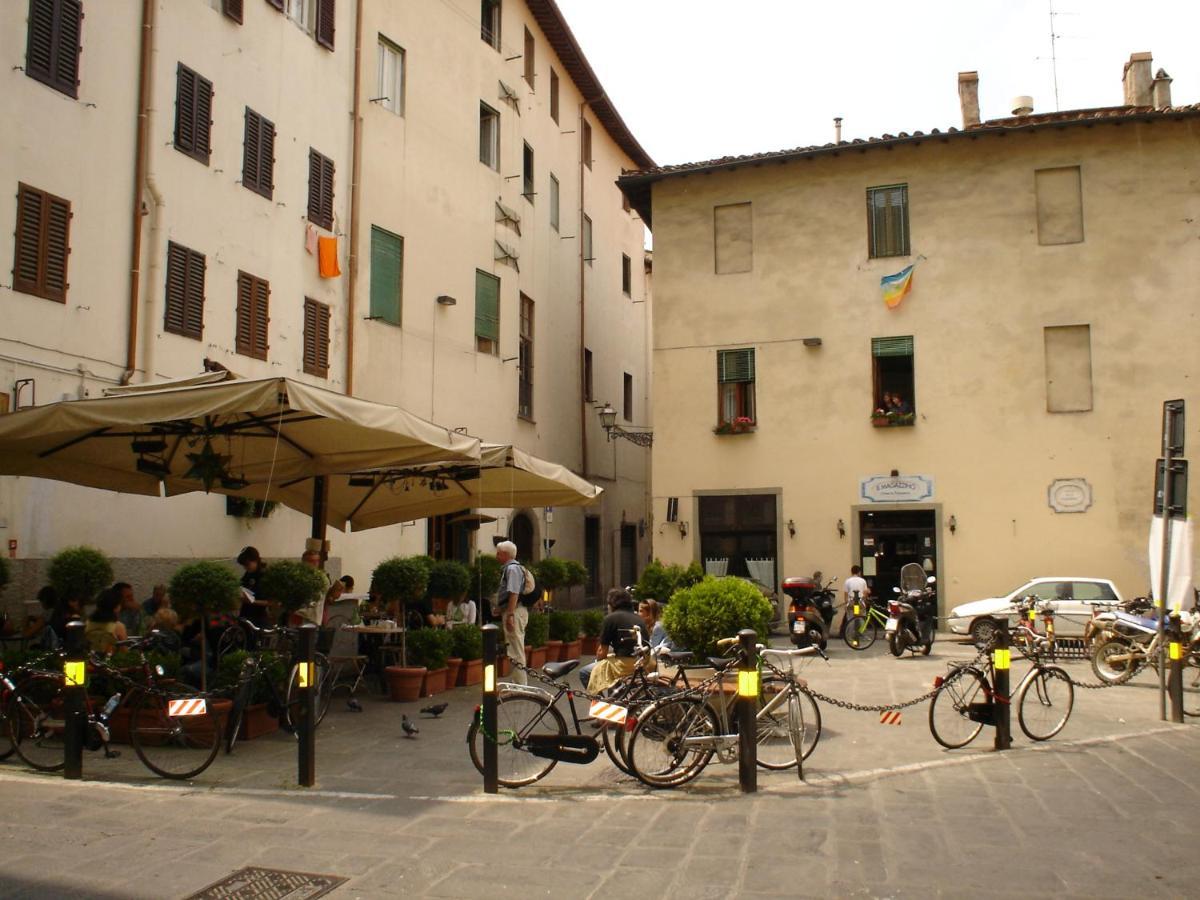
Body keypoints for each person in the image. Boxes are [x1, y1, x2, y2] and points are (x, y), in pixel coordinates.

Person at [585, 588, 648, 696]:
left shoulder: (610, 618)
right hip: (644, 662)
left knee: (585, 672)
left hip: (624, 664)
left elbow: (602, 652)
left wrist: (598, 663)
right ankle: (616, 700)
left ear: (612, 604)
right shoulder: (638, 618)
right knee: (611, 670)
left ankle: (602, 703)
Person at [493, 540, 529, 685]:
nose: (496, 556)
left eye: (498, 553)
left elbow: (514, 593)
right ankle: (517, 682)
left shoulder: (512, 569)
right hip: (515, 611)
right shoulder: (511, 568)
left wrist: (510, 614)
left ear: (505, 554)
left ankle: (521, 686)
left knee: (516, 649)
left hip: (515, 612)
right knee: (514, 648)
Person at [237, 546, 271, 628]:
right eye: (244, 565)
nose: (245, 567)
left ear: (255, 560)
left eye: (247, 564)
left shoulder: (265, 575)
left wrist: (253, 601)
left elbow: (270, 601)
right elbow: (242, 586)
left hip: (259, 617)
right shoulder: (249, 573)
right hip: (245, 613)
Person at [85, 589, 127, 654]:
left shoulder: (87, 623)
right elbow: (124, 651)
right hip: (109, 662)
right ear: (116, 607)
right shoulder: (118, 626)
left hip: (90, 660)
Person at [840, 565, 871, 636]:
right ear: (859, 572)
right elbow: (865, 592)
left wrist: (846, 603)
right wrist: (864, 600)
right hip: (860, 602)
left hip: (851, 602)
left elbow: (846, 593)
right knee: (861, 618)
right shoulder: (862, 581)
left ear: (851, 572)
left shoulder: (847, 581)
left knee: (851, 618)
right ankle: (861, 634)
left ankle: (851, 635)